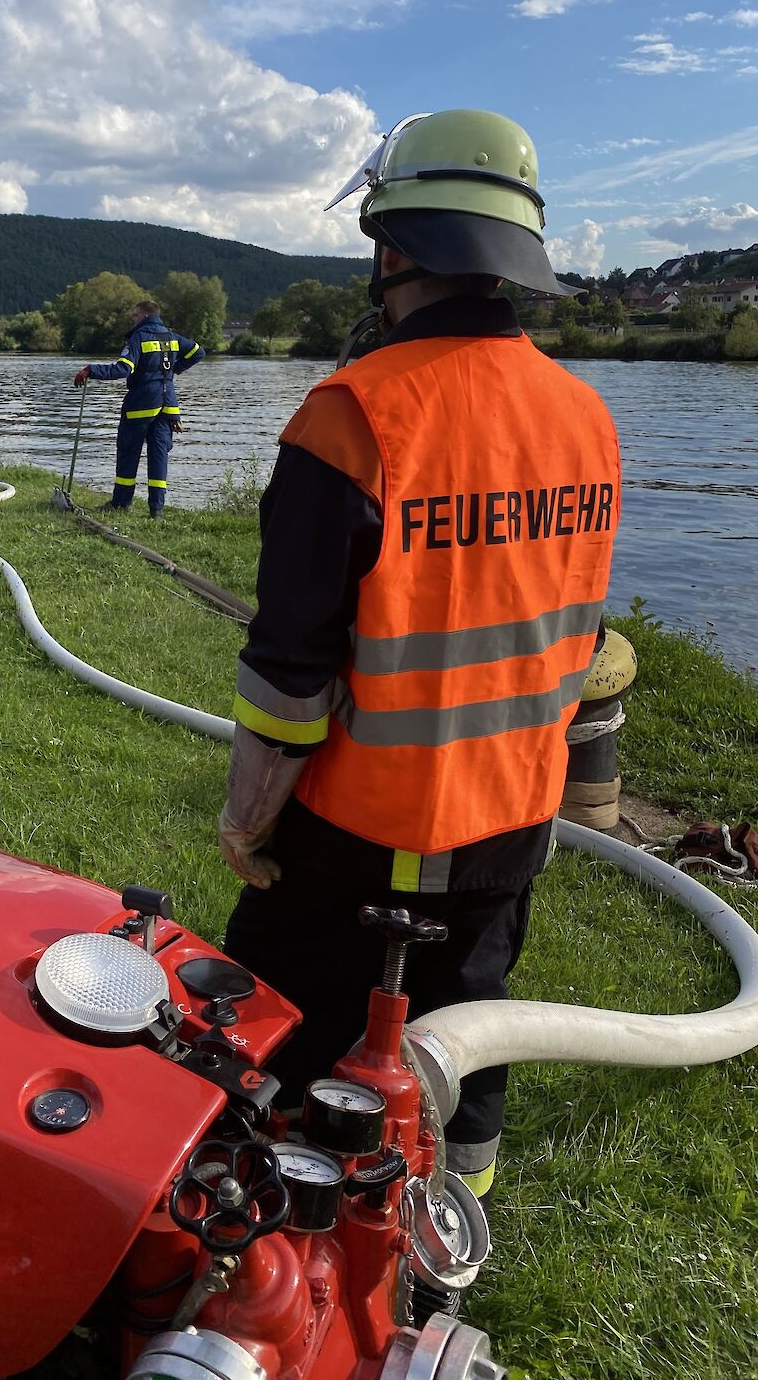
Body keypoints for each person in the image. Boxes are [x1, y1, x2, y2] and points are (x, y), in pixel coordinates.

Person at [217, 109, 620, 1203]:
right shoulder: (586, 416)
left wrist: (250, 820)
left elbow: (293, 672)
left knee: (265, 1034)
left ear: (392, 250)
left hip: (363, 831)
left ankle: (266, 1248)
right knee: (463, 1052)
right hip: (513, 826)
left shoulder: (352, 417)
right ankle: (444, 1250)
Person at [73, 299, 204, 517]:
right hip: (168, 406)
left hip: (141, 404)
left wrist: (91, 370)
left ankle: (122, 503)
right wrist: (172, 372)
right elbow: (198, 352)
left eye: (134, 316)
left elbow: (123, 369)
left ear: (143, 316)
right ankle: (156, 510)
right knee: (159, 456)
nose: (132, 320)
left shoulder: (139, 337)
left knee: (128, 452)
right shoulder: (172, 337)